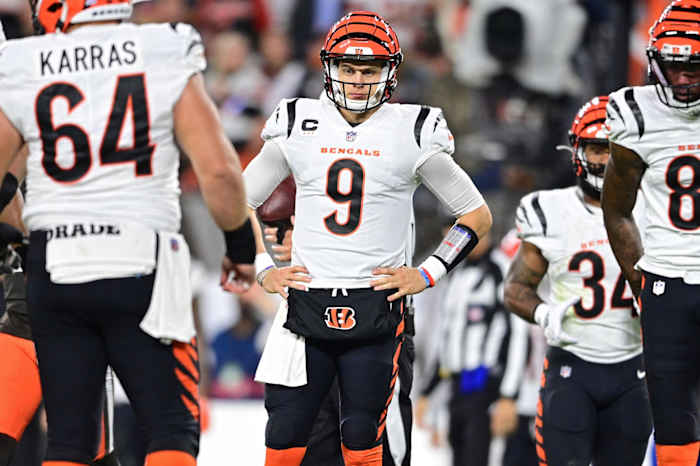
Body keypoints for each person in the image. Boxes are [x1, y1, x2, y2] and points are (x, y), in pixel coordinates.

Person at [0, 1, 256, 465]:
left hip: (55, 262)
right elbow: (218, 171)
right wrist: (239, 245)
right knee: (170, 426)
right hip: (142, 261)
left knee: (70, 440)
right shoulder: (163, 46)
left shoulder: (24, 60)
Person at [243, 11, 492, 466]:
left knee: (366, 446)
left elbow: (475, 215)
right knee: (283, 444)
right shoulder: (298, 121)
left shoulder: (413, 130)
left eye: (370, 70)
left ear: (389, 71)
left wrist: (427, 273)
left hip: (378, 308)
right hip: (305, 304)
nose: (358, 80)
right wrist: (264, 269)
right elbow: (237, 200)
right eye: (348, 68)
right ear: (329, 67)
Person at [504, 95, 653, 466]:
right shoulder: (548, 210)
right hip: (572, 366)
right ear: (576, 149)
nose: (606, 159)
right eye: (597, 147)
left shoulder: (654, 210)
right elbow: (515, 288)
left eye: (615, 147)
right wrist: (543, 314)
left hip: (636, 367)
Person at [602, 1, 700, 464]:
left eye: (694, 68)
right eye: (673, 67)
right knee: (673, 425)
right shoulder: (634, 112)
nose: (682, 79)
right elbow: (616, 209)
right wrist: (642, 279)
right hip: (667, 280)